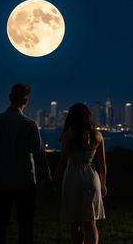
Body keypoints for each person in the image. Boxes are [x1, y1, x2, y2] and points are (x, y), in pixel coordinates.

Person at [0, 84, 52, 244]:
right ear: (26, 100)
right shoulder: (29, 124)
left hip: (2, 180)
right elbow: (39, 154)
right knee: (26, 225)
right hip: (25, 181)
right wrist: (47, 178)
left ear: (10, 98)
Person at [54, 103, 107, 244]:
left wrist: (56, 177)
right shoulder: (97, 135)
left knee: (75, 223)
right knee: (91, 223)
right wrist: (103, 184)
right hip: (92, 179)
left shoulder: (68, 135)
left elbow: (63, 161)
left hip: (72, 178)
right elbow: (102, 163)